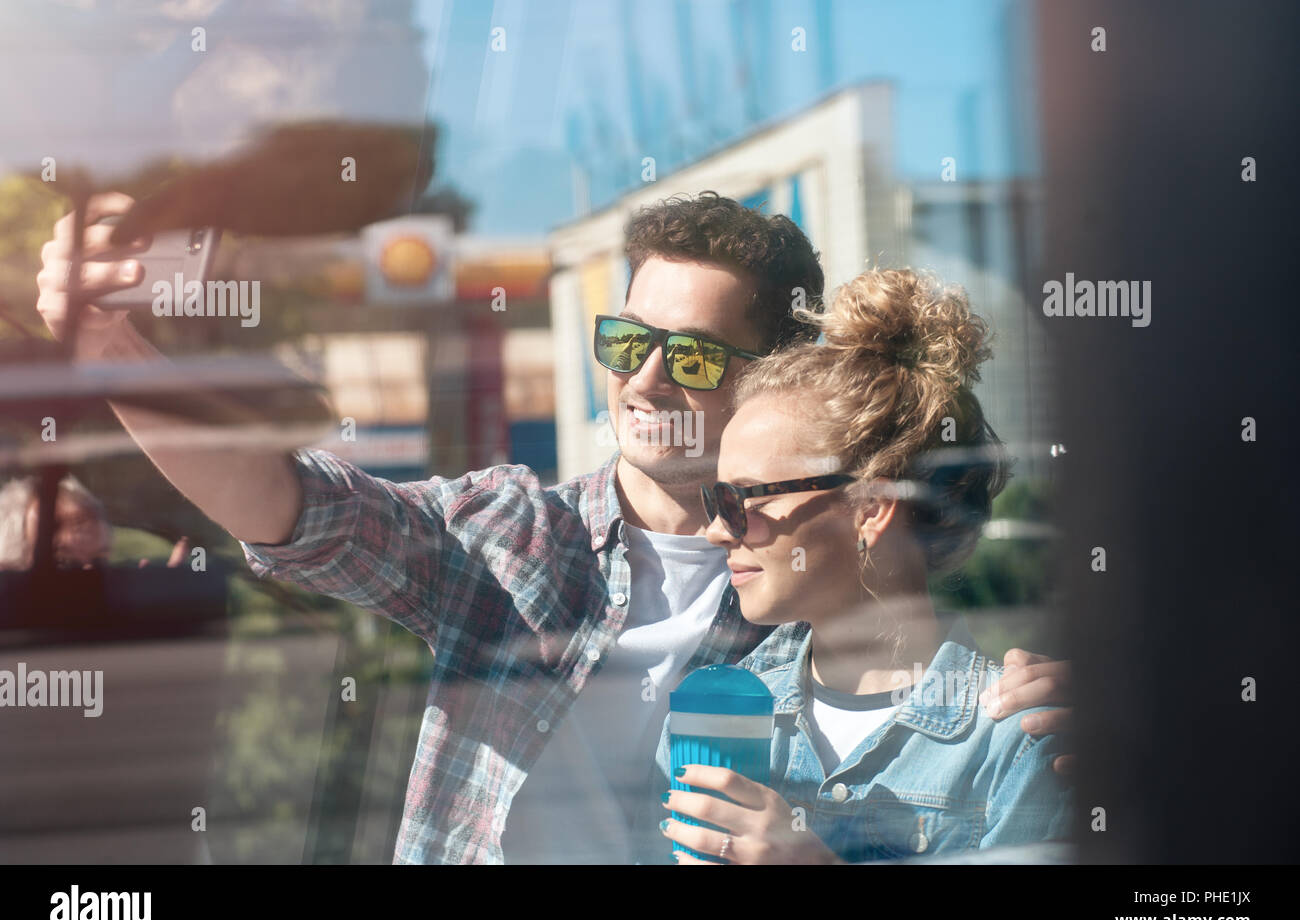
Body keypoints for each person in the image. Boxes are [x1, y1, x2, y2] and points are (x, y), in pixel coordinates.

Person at [36, 191, 1073, 864]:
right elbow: (283, 502)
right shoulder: (511, 535)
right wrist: (107, 346)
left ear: (770, 378)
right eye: (625, 339)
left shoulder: (804, 585)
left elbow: (923, 664)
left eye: (695, 355)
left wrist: (1053, 702)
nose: (645, 376)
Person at [657, 267, 1072, 864]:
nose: (716, 529)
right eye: (714, 499)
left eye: (744, 498)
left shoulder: (1021, 740)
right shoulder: (707, 723)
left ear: (871, 508)